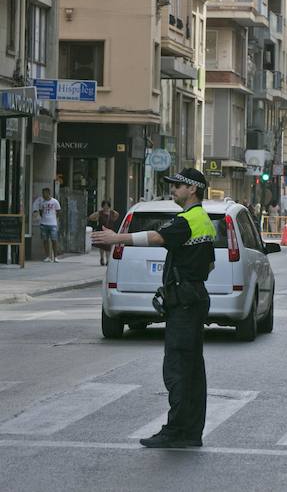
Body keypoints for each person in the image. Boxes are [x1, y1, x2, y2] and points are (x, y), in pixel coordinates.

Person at [92, 167, 216, 449]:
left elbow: (157, 238)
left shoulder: (188, 219)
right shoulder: (204, 221)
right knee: (192, 368)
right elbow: (209, 264)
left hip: (184, 302)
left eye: (177, 186)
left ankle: (177, 431)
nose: (173, 190)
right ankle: (190, 431)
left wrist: (116, 239)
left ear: (192, 189)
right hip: (193, 297)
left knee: (178, 368)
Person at [32, 187, 61, 262]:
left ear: (49, 193)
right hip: (44, 223)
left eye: (45, 193)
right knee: (45, 240)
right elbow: (41, 212)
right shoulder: (42, 202)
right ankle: (47, 256)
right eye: (43, 193)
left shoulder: (55, 201)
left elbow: (58, 212)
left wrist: (54, 218)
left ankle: (55, 257)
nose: (44, 195)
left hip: (53, 223)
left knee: (54, 240)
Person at [88, 200, 120, 266]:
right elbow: (91, 217)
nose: (106, 207)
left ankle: (108, 260)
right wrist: (96, 217)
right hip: (101, 230)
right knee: (102, 246)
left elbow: (117, 215)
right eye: (104, 205)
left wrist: (113, 218)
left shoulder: (112, 213)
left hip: (109, 230)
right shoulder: (100, 213)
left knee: (108, 246)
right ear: (102, 206)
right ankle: (102, 258)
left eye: (107, 205)